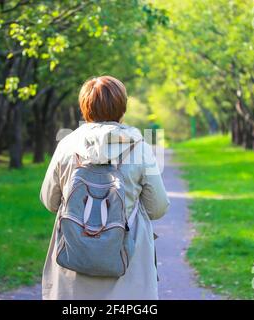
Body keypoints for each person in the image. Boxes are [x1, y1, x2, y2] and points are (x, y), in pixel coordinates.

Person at [40, 75, 169, 300]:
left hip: (73, 261)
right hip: (127, 264)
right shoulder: (140, 148)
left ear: (84, 107)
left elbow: (50, 200)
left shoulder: (67, 146)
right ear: (122, 107)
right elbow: (157, 207)